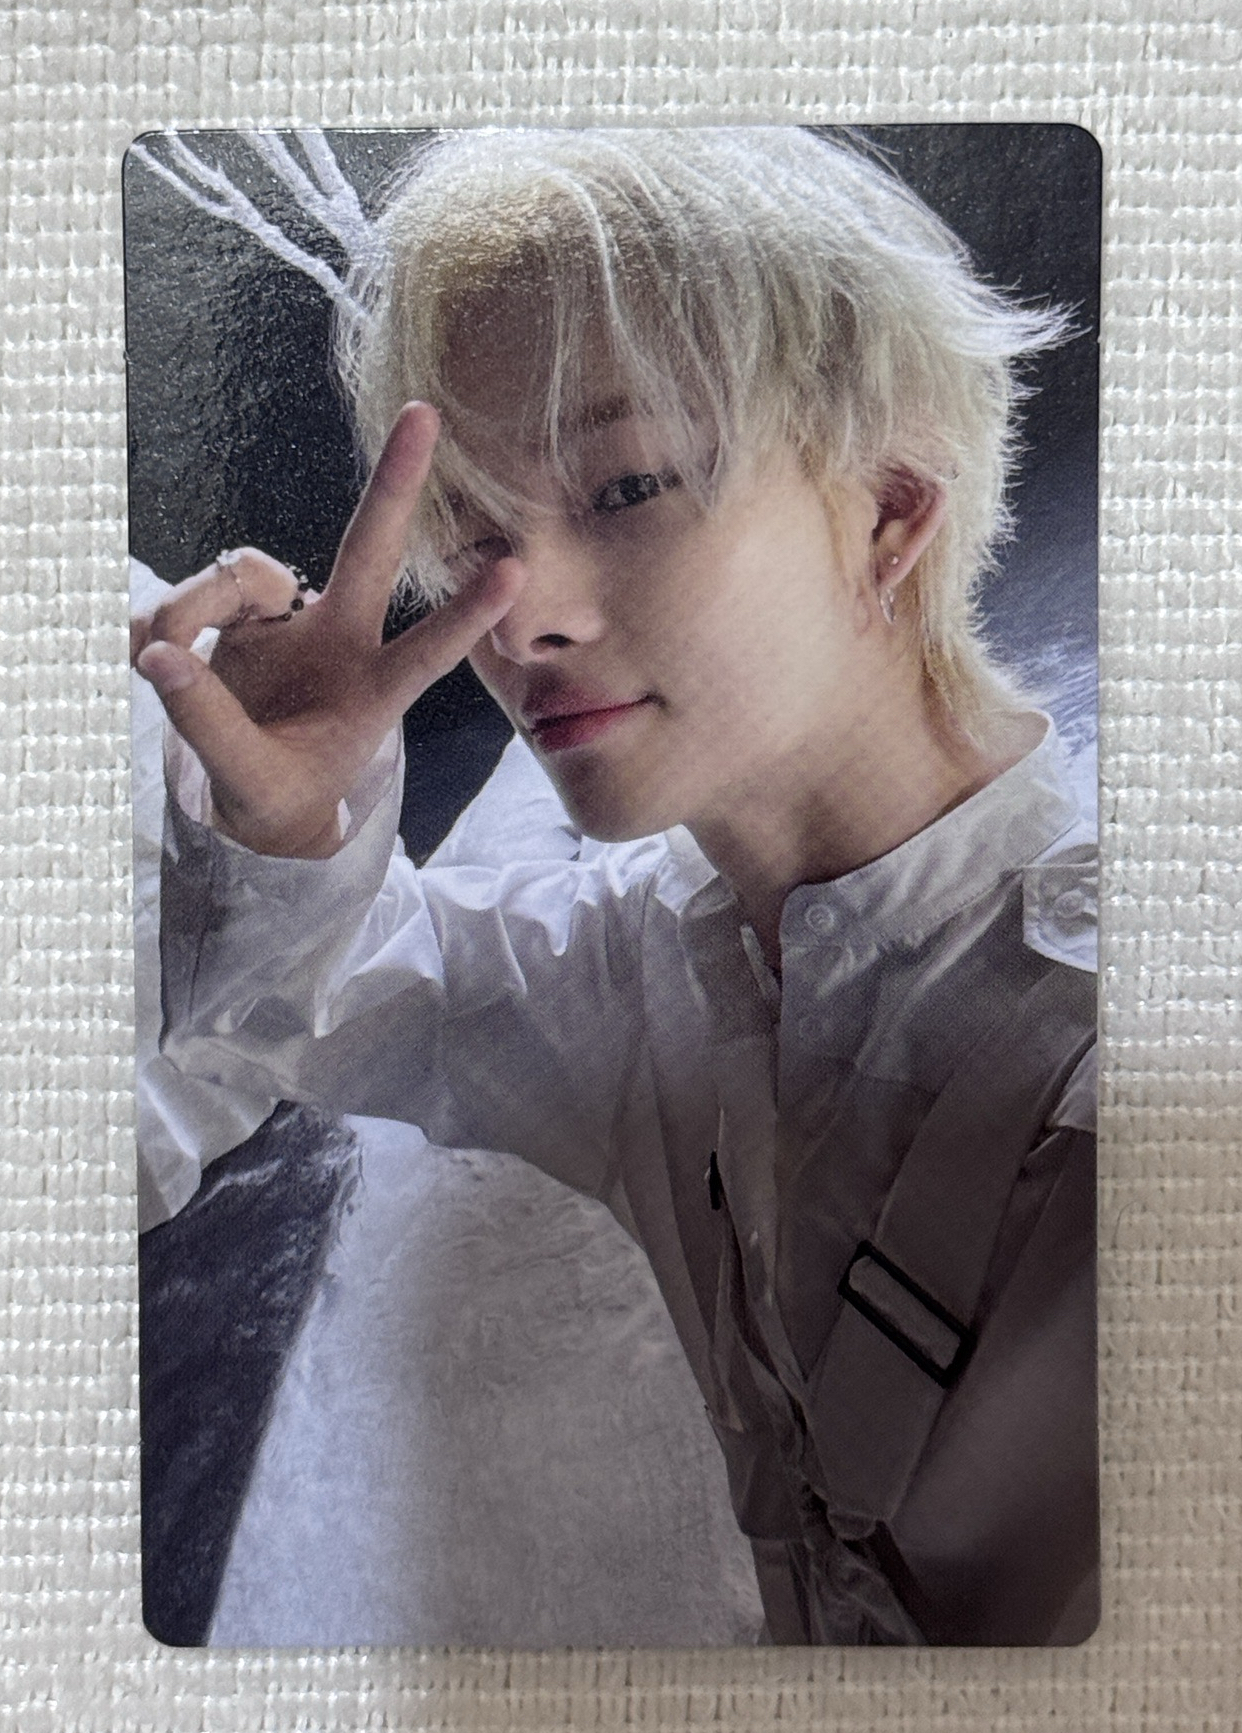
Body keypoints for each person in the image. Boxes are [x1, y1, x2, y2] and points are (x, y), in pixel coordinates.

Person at [133, 128, 1099, 1645]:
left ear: (890, 512)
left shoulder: (1122, 1100)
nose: (518, 619)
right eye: (473, 535)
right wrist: (291, 817)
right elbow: (351, 994)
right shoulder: (668, 962)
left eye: (628, 484)